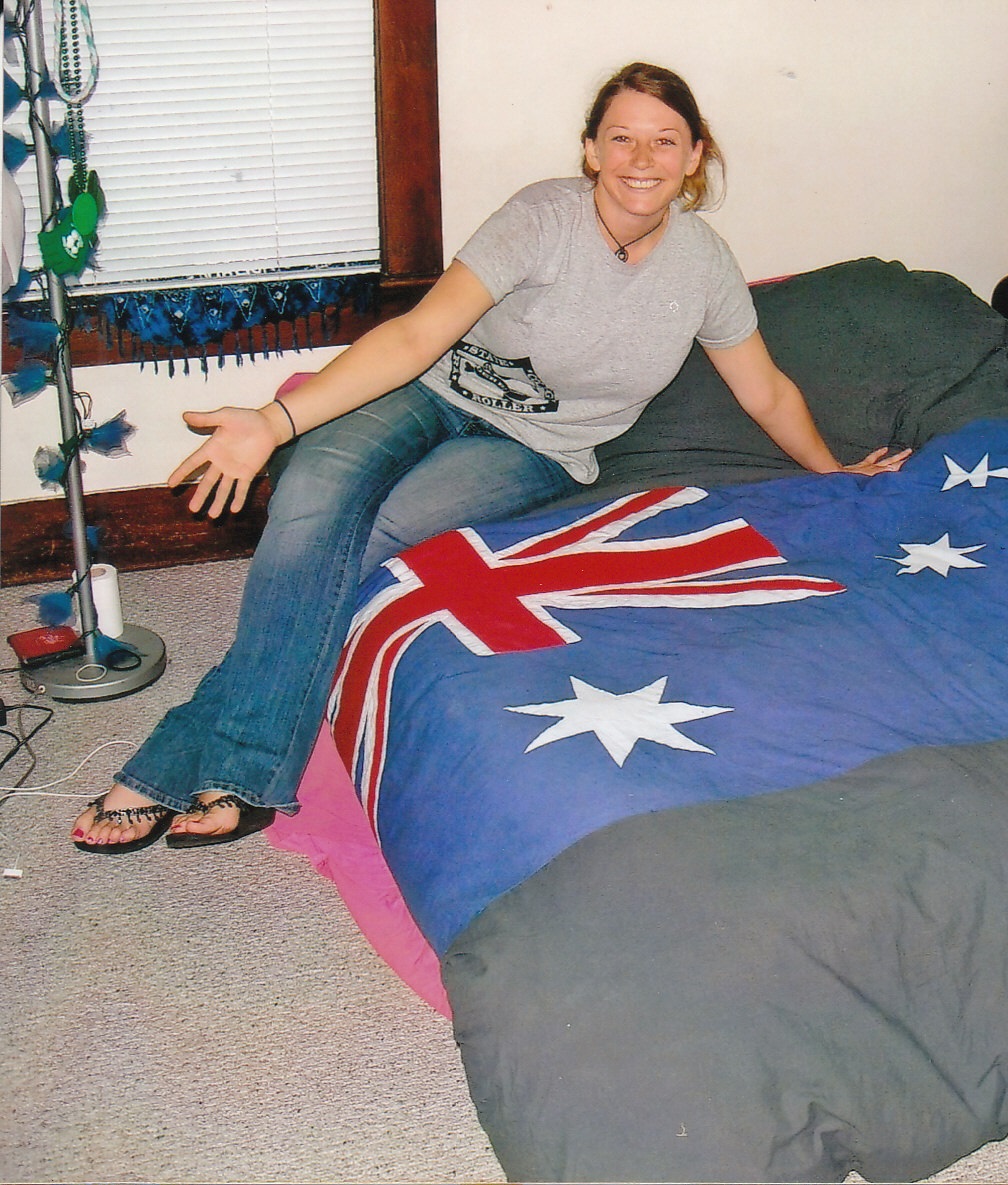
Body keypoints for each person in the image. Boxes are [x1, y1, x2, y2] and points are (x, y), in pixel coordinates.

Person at [70, 61, 910, 853]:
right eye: (621, 137)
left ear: (694, 157)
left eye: (664, 141)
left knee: (369, 541)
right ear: (591, 149)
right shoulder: (542, 217)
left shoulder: (704, 267)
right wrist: (272, 420)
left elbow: (765, 391)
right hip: (431, 388)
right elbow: (417, 335)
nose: (640, 159)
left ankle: (189, 760)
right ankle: (244, 765)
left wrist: (832, 472)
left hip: (535, 446)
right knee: (312, 490)